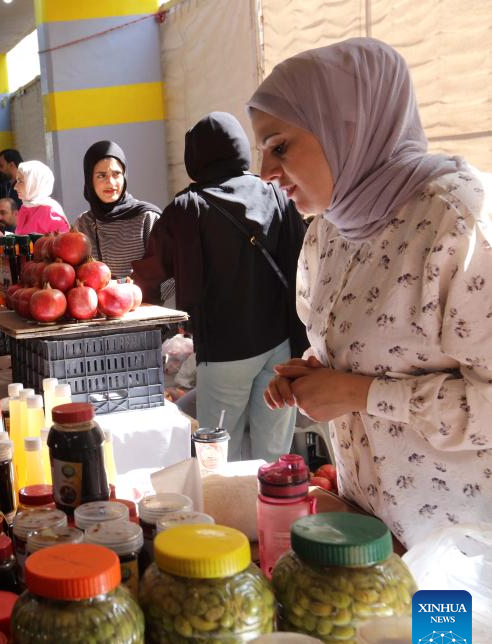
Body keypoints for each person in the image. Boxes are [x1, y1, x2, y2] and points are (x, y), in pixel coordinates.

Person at [251, 38, 492, 548]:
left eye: (280, 145)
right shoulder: (331, 231)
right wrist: (318, 374)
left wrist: (361, 394)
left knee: (440, 633)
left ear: (347, 127)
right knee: (371, 633)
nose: (266, 173)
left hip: (457, 553)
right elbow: (375, 350)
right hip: (369, 534)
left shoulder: (461, 225)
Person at [132, 112, 308, 462]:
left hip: (225, 353)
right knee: (272, 455)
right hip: (282, 347)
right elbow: (305, 261)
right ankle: (272, 513)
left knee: (221, 456)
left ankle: (232, 516)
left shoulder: (186, 207)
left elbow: (149, 276)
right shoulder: (276, 194)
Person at [73, 140, 161, 279]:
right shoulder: (83, 224)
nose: (111, 183)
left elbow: (166, 274)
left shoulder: (147, 218)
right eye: (101, 175)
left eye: (116, 174)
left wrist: (124, 288)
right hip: (96, 301)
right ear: (89, 179)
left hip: (142, 300)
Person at [14, 160, 70, 235]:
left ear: (34, 182)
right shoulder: (25, 207)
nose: (15, 187)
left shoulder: (50, 212)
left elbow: (61, 243)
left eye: (20, 181)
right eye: (17, 181)